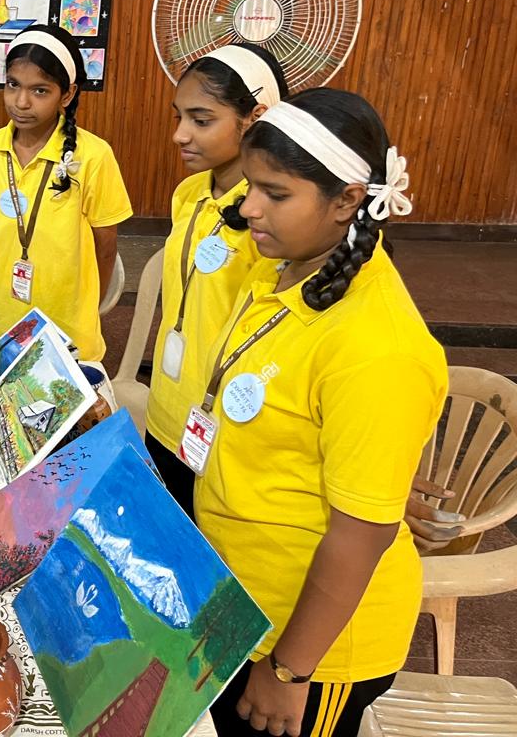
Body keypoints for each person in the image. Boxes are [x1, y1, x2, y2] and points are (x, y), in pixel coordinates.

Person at [198, 90, 445, 737]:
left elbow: (358, 536)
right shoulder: (287, 269)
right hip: (247, 602)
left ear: (346, 200)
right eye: (251, 185)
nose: (249, 207)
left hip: (310, 649)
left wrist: (288, 670)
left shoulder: (377, 346)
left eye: (275, 193)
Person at [144, 44, 286, 516]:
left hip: (224, 427)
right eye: (179, 116)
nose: (179, 135)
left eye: (201, 120)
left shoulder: (273, 219)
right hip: (168, 412)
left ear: (255, 118)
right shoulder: (189, 192)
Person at [0, 25, 132, 362]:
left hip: (66, 324)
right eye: (13, 85)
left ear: (67, 94)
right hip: (1, 319)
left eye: (40, 90)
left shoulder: (93, 156)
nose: (21, 102)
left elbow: (106, 247)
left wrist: (87, 310)